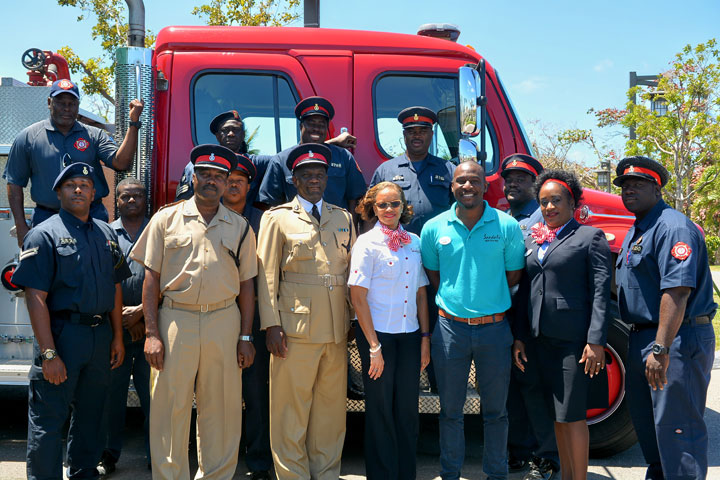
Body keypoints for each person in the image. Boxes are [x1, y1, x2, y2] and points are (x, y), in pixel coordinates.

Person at [130, 144, 258, 479]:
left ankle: (215, 475)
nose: (212, 181)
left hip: (224, 320)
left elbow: (247, 286)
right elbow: (151, 279)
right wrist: (152, 334)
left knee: (223, 407)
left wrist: (245, 335)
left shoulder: (241, 227)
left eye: (219, 176)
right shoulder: (165, 219)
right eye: (205, 174)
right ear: (194, 177)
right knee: (169, 406)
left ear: (227, 180)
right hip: (176, 318)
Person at [10, 162, 130, 480]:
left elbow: (115, 285)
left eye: (85, 185)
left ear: (94, 194)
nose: (78, 189)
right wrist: (49, 353)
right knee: (49, 420)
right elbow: (35, 297)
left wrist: (117, 336)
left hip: (100, 335)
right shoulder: (43, 235)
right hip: (62, 335)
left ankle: (83, 473)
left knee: (92, 416)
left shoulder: (107, 234)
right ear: (59, 192)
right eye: (71, 185)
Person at [420, 160, 525, 480]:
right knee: (450, 412)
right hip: (449, 330)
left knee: (496, 413)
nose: (468, 186)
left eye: (474, 181)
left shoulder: (506, 226)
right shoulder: (433, 228)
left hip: (495, 330)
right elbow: (433, 276)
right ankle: (449, 473)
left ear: (485, 186)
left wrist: (486, 301)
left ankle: (497, 474)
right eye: (461, 181)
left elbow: (514, 275)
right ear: (451, 186)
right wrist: (459, 301)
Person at [613, 156, 716, 480]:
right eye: (625, 186)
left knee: (677, 433)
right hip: (645, 337)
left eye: (638, 185)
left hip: (675, 340)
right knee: (653, 434)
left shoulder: (672, 227)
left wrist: (660, 349)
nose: (629, 190)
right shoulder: (639, 228)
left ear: (656, 189)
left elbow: (677, 292)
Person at [256, 143, 354, 480]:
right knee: (290, 411)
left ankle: (326, 473)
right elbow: (267, 275)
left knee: (330, 413)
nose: (314, 180)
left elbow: (350, 272)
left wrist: (352, 319)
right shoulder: (277, 218)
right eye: (306, 174)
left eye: (320, 174)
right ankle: (293, 475)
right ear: (293, 180)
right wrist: (271, 325)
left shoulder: (343, 218)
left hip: (336, 330)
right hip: (294, 330)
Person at [513, 170, 611, 480]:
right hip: (539, 340)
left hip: (573, 342)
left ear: (572, 202)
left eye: (556, 200)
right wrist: (519, 337)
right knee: (555, 414)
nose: (549, 207)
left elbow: (600, 293)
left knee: (572, 416)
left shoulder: (589, 237)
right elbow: (524, 291)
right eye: (543, 202)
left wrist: (595, 341)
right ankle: (566, 475)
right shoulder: (532, 237)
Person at [348, 181, 431, 479]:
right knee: (381, 411)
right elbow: (357, 296)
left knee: (407, 410)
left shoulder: (415, 241)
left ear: (403, 206)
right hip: (378, 336)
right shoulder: (366, 243)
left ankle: (405, 473)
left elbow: (421, 293)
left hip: (409, 336)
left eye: (394, 203)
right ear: (373, 208)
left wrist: (424, 339)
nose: (388, 209)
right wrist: (374, 347)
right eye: (382, 205)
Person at [4, 78, 144, 243]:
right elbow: (14, 183)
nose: (66, 108)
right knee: (48, 268)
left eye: (72, 103)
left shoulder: (94, 135)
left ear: (78, 105)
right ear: (50, 102)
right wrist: (20, 225)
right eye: (60, 102)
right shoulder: (28, 137)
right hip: (46, 217)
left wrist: (134, 123)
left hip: (92, 217)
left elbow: (121, 164)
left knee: (94, 267)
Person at [500, 154, 560, 480]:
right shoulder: (506, 218)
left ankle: (546, 456)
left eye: (521, 178)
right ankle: (519, 452)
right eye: (509, 178)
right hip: (509, 317)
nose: (513, 183)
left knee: (536, 390)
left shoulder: (543, 223)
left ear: (535, 184)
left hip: (535, 319)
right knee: (514, 388)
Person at [222, 154, 272, 479]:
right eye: (230, 179)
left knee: (256, 393)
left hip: (253, 320)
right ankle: (219, 460)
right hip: (218, 314)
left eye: (241, 179)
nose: (235, 184)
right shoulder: (208, 217)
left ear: (249, 185)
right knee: (219, 392)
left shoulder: (263, 221)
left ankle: (257, 462)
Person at [97, 178, 151, 475]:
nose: (132, 201)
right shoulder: (105, 233)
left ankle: (158, 455)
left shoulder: (159, 229)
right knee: (111, 400)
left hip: (151, 331)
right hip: (114, 332)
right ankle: (108, 455)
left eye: (138, 196)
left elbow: (171, 278)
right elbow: (103, 281)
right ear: (116, 201)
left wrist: (141, 314)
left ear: (146, 199)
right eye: (125, 197)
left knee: (154, 400)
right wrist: (122, 323)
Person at [257, 96, 367, 212]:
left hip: (336, 228)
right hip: (295, 228)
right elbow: (269, 204)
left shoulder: (344, 157)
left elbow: (355, 200)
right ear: (301, 127)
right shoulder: (281, 160)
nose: (316, 129)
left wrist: (350, 229)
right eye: (311, 124)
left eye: (321, 125)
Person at [369, 106, 455, 235]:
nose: (417, 136)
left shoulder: (448, 169)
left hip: (439, 241)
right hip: (398, 246)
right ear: (404, 135)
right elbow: (370, 212)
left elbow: (459, 209)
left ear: (431, 134)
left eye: (423, 131)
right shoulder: (385, 171)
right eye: (411, 131)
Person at [175, 110, 272, 212]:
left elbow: (281, 161)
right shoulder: (195, 166)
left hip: (243, 223)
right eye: (225, 130)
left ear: (243, 135)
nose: (231, 134)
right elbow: (183, 204)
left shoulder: (256, 163)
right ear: (217, 136)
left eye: (236, 130)